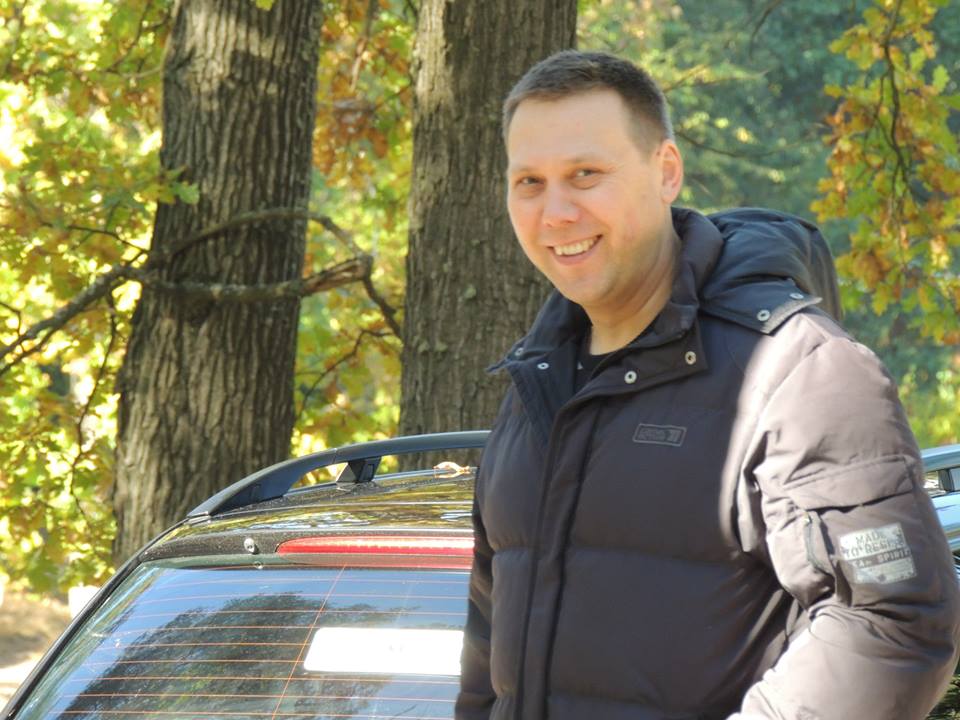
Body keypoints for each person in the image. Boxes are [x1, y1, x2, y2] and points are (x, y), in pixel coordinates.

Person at [456, 50, 960, 720]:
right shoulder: (537, 382)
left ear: (666, 171)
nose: (555, 213)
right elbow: (489, 656)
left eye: (585, 175)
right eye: (529, 182)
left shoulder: (800, 372)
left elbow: (895, 621)